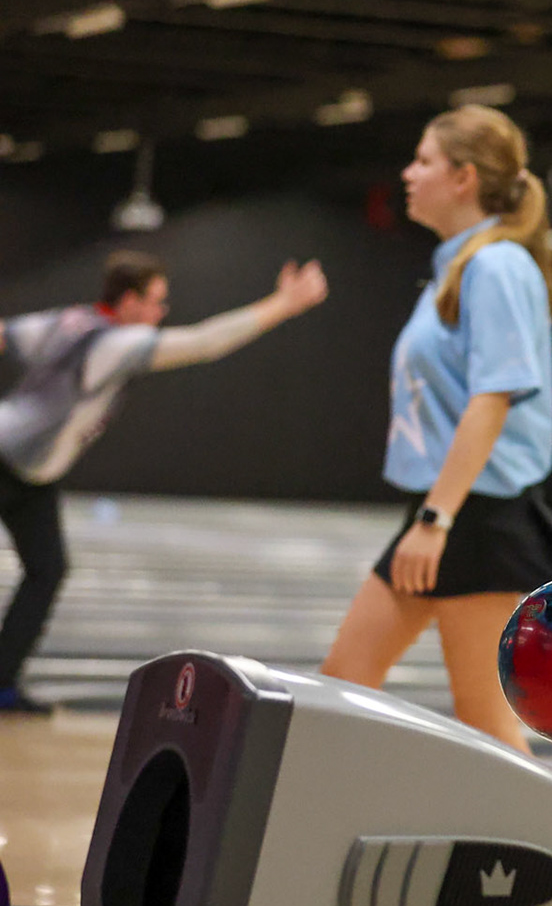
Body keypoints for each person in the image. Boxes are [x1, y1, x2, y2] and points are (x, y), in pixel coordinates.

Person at [321, 105, 552, 753]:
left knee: (488, 723)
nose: (408, 173)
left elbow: (493, 399)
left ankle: (542, 853)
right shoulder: (461, 266)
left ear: (464, 178)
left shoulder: (496, 266)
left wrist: (437, 520)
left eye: (423, 160)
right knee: (343, 683)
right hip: (450, 510)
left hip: (475, 519)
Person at [0, 249, 328, 715]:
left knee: (47, 570)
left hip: (33, 476)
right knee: (46, 571)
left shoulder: (70, 320)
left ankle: (2, 682)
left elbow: (5, 334)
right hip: (8, 462)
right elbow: (205, 342)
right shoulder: (115, 342)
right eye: (156, 302)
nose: (161, 312)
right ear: (129, 301)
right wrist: (283, 305)